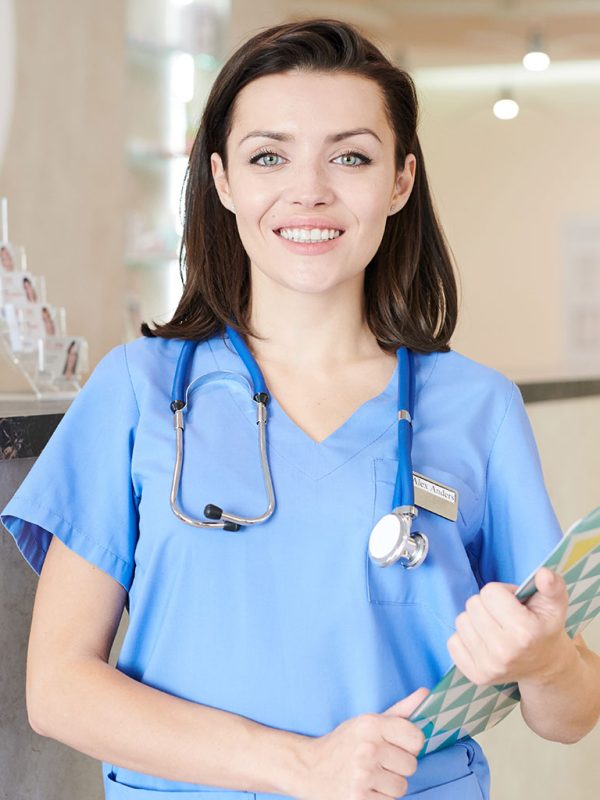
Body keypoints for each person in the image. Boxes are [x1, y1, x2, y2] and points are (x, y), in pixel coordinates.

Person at [1, 17, 599, 800]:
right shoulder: (138, 391)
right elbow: (58, 687)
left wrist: (546, 662)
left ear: (400, 181)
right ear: (222, 180)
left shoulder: (475, 407)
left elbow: (569, 712)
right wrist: (298, 766)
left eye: (350, 156)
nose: (309, 189)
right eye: (268, 156)